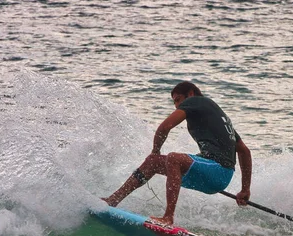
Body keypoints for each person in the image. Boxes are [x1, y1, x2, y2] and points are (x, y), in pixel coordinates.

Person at [102, 81, 252, 226]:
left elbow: (164, 127)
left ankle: (168, 218)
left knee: (173, 158)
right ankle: (113, 200)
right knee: (153, 162)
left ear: (191, 94)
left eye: (178, 100)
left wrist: (155, 151)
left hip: (218, 171)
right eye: (174, 102)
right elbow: (244, 151)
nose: (177, 105)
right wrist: (245, 189)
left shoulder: (197, 101)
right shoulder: (215, 114)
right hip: (214, 176)